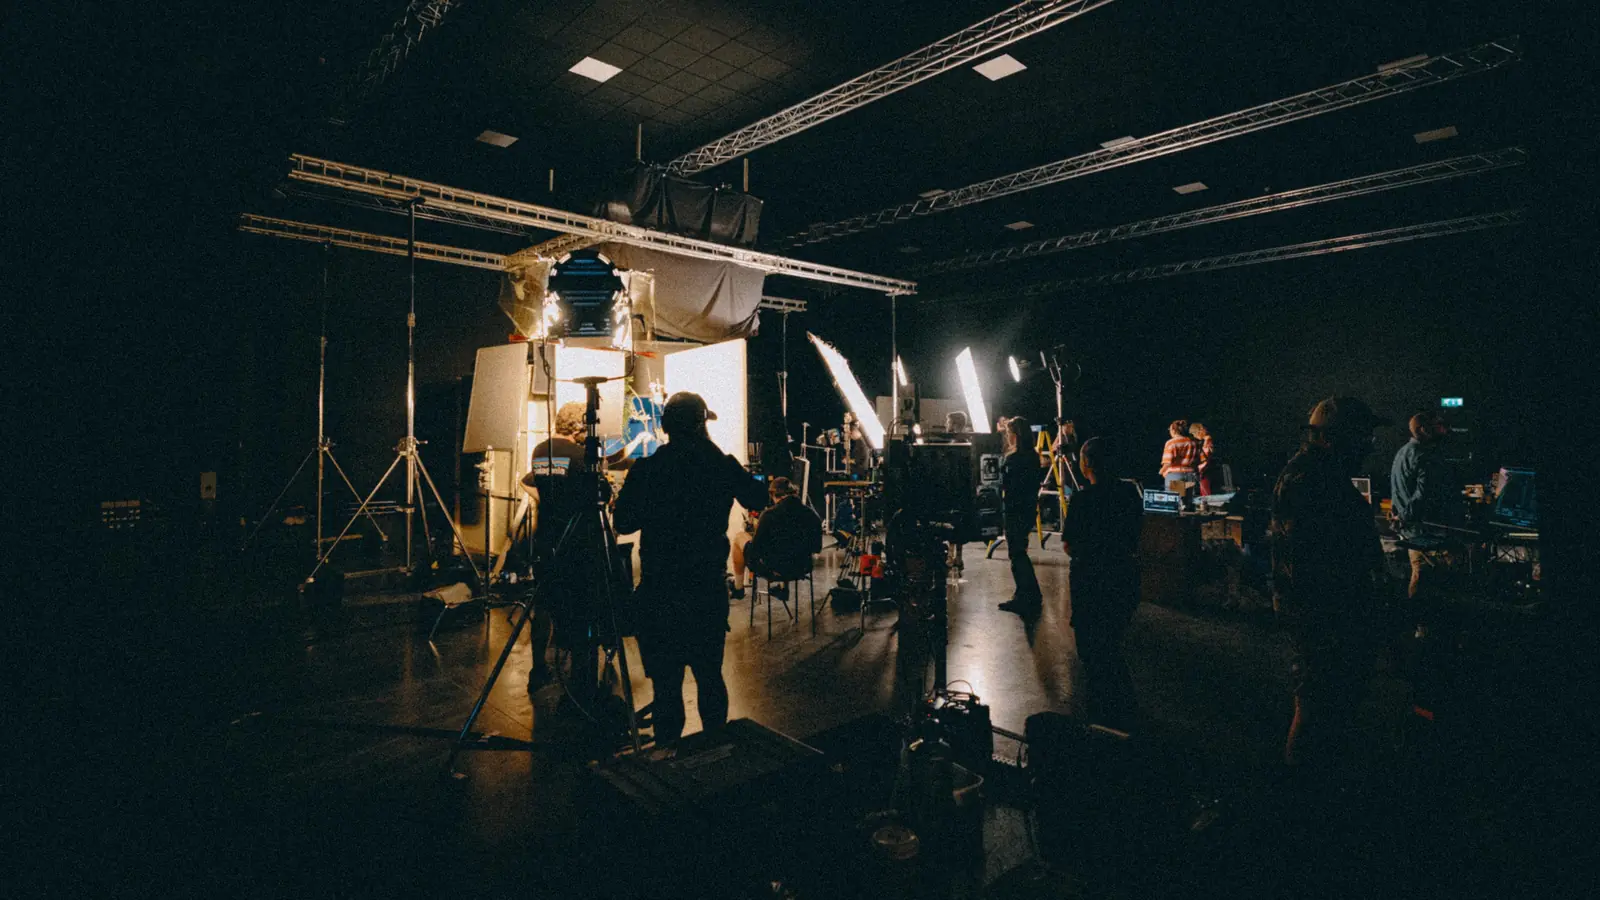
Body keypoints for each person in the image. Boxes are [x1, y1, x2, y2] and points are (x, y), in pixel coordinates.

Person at [613, 392, 768, 749]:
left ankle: (669, 761)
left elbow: (623, 521)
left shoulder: (648, 468)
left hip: (659, 588)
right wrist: (720, 460)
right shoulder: (719, 464)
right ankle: (715, 754)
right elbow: (757, 499)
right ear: (701, 425)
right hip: (704, 588)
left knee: (666, 686)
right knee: (709, 677)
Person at [1270, 396, 1390, 775]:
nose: (1367, 446)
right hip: (1324, 622)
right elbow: (1323, 562)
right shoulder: (1314, 482)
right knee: (1317, 711)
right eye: (1361, 437)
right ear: (1330, 438)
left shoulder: (1313, 473)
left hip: (1322, 618)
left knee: (1321, 711)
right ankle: (1306, 801)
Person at [1061, 436, 1144, 731]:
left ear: (1087, 465)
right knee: (1111, 644)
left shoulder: (1083, 500)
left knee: (1094, 652)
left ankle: (1104, 719)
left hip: (1091, 581)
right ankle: (1123, 713)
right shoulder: (1130, 493)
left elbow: (1069, 543)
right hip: (1124, 577)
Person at [517, 401, 589, 692]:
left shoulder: (539, 451)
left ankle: (538, 668)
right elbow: (591, 495)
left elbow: (529, 482)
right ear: (578, 426)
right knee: (579, 604)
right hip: (573, 540)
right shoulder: (579, 455)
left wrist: (543, 499)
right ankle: (578, 680)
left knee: (543, 605)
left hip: (544, 537)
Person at [1390, 411, 1456, 600]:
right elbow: (1422, 496)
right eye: (1438, 425)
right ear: (1424, 430)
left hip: (1411, 530)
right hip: (1425, 533)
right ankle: (1424, 625)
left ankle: (1419, 625)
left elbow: (1398, 491)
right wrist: (1406, 516)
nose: (1443, 429)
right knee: (1428, 580)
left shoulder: (1402, 452)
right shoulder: (1424, 456)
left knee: (1419, 577)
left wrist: (1400, 517)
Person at [730, 476, 823, 600]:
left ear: (773, 494)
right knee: (787, 547)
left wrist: (756, 534)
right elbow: (817, 548)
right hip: (803, 567)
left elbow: (755, 551)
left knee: (738, 538)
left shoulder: (769, 515)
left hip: (774, 570)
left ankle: (738, 588)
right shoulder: (812, 515)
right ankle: (783, 588)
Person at [998, 416, 1044, 614]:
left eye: (1009, 433)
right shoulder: (1033, 457)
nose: (1008, 437)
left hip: (1015, 510)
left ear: (1016, 435)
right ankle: (1024, 593)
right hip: (1028, 509)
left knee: (1017, 554)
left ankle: (1029, 595)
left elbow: (1005, 485)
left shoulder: (1014, 459)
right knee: (1019, 551)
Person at [1159, 419, 1202, 495]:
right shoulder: (1193, 443)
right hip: (1191, 476)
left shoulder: (1171, 443)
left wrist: (1161, 472)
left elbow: (1168, 463)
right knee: (1189, 504)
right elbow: (1198, 461)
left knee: (1176, 503)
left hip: (1176, 475)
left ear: (1173, 430)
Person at [1191, 422, 1220, 496]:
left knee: (1205, 491)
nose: (1195, 436)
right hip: (1206, 468)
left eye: (1195, 434)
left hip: (1205, 469)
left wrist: (1200, 468)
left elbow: (1206, 457)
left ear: (1200, 431)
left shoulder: (1207, 440)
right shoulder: (1207, 440)